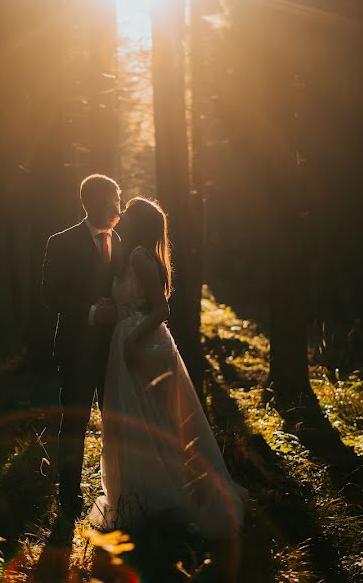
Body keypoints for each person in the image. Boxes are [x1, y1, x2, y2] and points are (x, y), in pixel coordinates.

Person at [89, 197, 247, 539]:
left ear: (138, 222)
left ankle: (162, 496)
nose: (121, 215)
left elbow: (162, 310)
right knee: (133, 421)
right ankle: (136, 496)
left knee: (150, 421)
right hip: (127, 340)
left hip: (143, 344)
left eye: (128, 212)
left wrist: (133, 339)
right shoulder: (128, 256)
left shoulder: (139, 256)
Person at [41, 174, 124, 542]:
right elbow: (51, 295)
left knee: (116, 424)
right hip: (76, 348)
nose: (118, 206)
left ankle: (117, 493)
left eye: (119, 199)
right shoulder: (61, 243)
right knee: (74, 422)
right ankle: (69, 495)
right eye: (113, 200)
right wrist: (91, 311)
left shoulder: (120, 241)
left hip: (114, 350)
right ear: (92, 202)